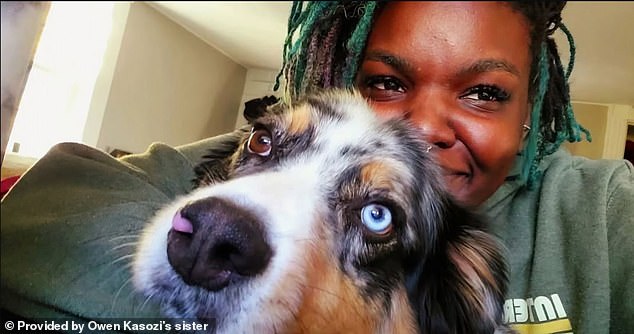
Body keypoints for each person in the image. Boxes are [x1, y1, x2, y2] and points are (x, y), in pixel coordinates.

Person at [1, 1, 632, 333]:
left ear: (531, 113)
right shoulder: (262, 150)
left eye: (483, 93)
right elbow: (37, 218)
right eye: (387, 81)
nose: (417, 128)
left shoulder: (607, 210)